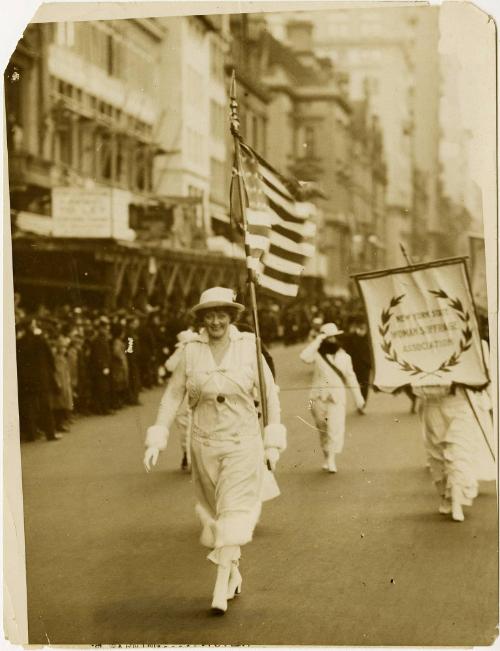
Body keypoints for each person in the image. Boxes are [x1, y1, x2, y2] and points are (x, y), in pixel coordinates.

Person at [143, 287, 286, 614]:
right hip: (204, 444)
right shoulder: (191, 351)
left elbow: (270, 396)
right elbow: (172, 395)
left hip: (242, 442)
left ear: (232, 316)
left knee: (234, 511)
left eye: (222, 314)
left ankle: (220, 587)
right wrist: (158, 436)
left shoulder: (249, 347)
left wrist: (272, 440)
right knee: (219, 514)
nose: (217, 320)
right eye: (210, 315)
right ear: (202, 319)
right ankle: (233, 570)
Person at [412, 340, 496, 522]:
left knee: (459, 451)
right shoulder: (423, 343)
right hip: (433, 403)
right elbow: (414, 380)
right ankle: (445, 497)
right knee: (437, 453)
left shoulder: (473, 342)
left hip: (461, 403)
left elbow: (486, 375)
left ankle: (457, 500)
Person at [300, 322, 365, 473]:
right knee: (322, 429)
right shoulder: (317, 354)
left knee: (334, 429)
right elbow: (303, 357)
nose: (331, 340)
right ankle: (326, 458)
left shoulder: (344, 356)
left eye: (333, 337)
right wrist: (317, 340)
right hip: (317, 398)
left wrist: (358, 398)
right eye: (328, 337)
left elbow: (351, 377)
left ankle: (331, 460)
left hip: (337, 398)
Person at [343, 316, 372, 404]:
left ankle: (363, 403)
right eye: (359, 326)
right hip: (354, 364)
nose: (361, 328)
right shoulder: (351, 337)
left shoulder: (370, 336)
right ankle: (359, 401)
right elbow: (346, 349)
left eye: (363, 326)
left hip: (365, 365)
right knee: (356, 385)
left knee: (365, 385)